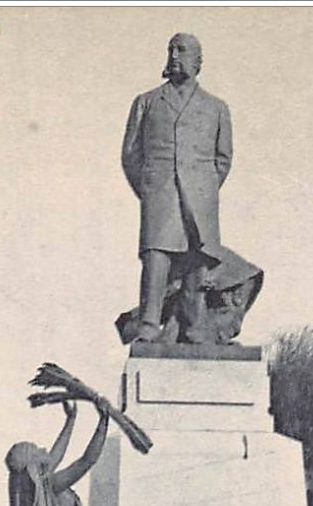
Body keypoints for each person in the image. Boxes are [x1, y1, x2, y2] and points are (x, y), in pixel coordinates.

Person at [120, 33, 232, 343]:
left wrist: (204, 187)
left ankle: (193, 325)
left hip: (200, 196)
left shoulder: (216, 107)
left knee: (198, 257)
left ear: (198, 61)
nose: (174, 55)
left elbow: (223, 159)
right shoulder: (147, 101)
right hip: (160, 191)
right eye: (171, 49)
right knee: (157, 257)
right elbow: (130, 155)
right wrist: (150, 187)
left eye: (182, 50)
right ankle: (148, 324)